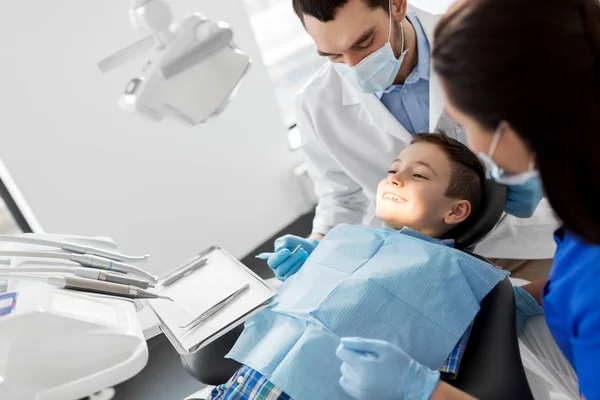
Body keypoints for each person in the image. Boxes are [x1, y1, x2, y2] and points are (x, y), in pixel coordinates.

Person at [336, 0, 600, 399]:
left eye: (469, 125)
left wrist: (425, 392)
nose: (474, 146)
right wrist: (516, 301)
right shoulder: (586, 220)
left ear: (517, 123)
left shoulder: (592, 280)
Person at [207, 133, 539, 400]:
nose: (396, 179)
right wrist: (305, 270)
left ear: (455, 212)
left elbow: (507, 315)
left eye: (419, 175)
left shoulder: (457, 275)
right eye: (393, 170)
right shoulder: (345, 241)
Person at [270, 0, 558, 282]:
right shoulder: (317, 104)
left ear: (397, 6)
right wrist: (319, 240)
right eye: (333, 56)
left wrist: (542, 176)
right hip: (421, 264)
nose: (354, 66)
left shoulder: (489, 44)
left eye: (364, 42)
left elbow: (572, 125)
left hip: (530, 239)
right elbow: (342, 197)